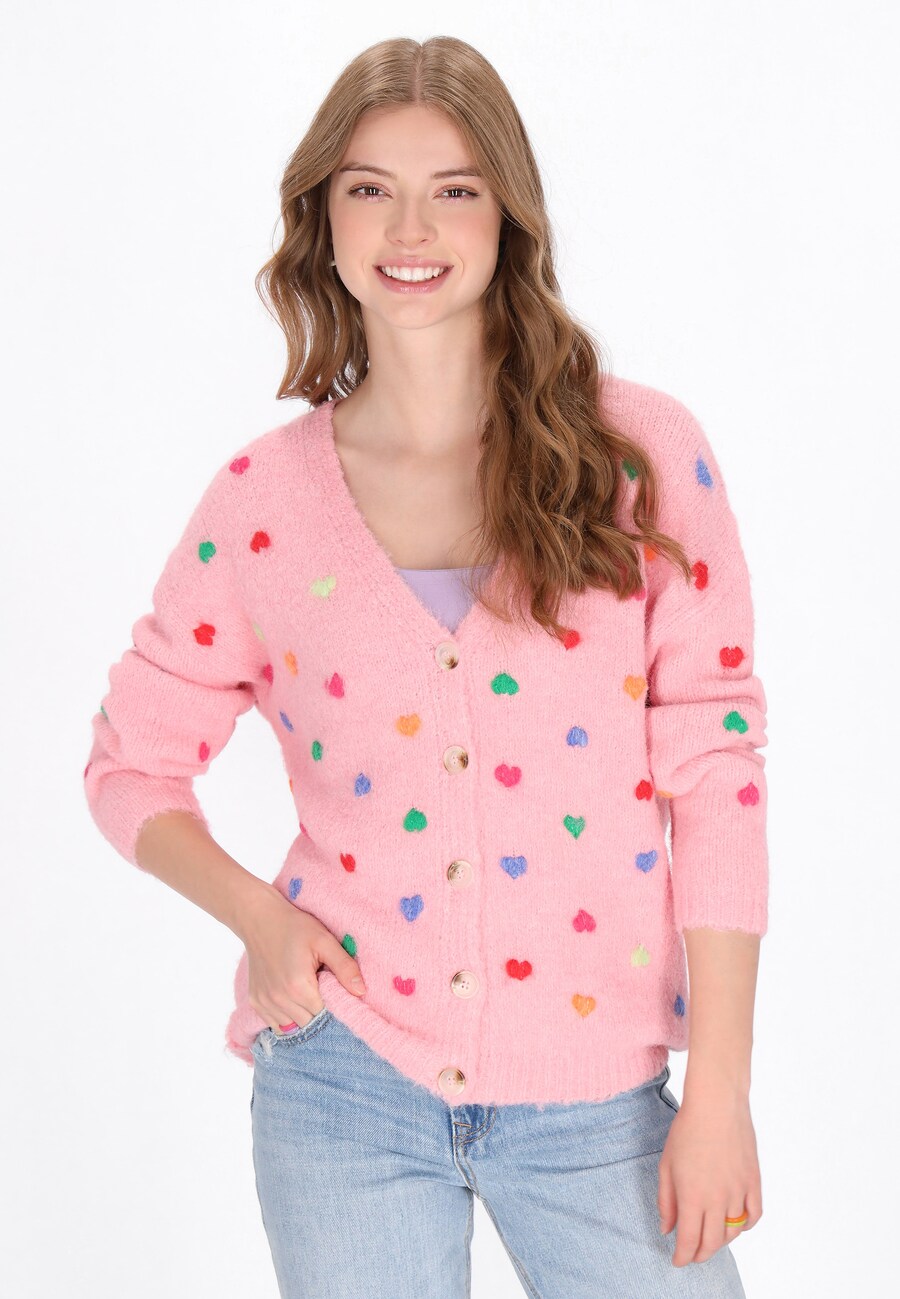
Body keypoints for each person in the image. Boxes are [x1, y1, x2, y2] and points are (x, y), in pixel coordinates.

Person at [83, 35, 768, 1299]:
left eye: (455, 188)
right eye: (370, 189)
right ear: (324, 220)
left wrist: (718, 1089)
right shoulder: (264, 506)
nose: (411, 228)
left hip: (599, 1102)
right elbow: (130, 767)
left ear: (508, 214)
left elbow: (718, 776)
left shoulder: (638, 458)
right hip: (344, 1086)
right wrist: (260, 919)